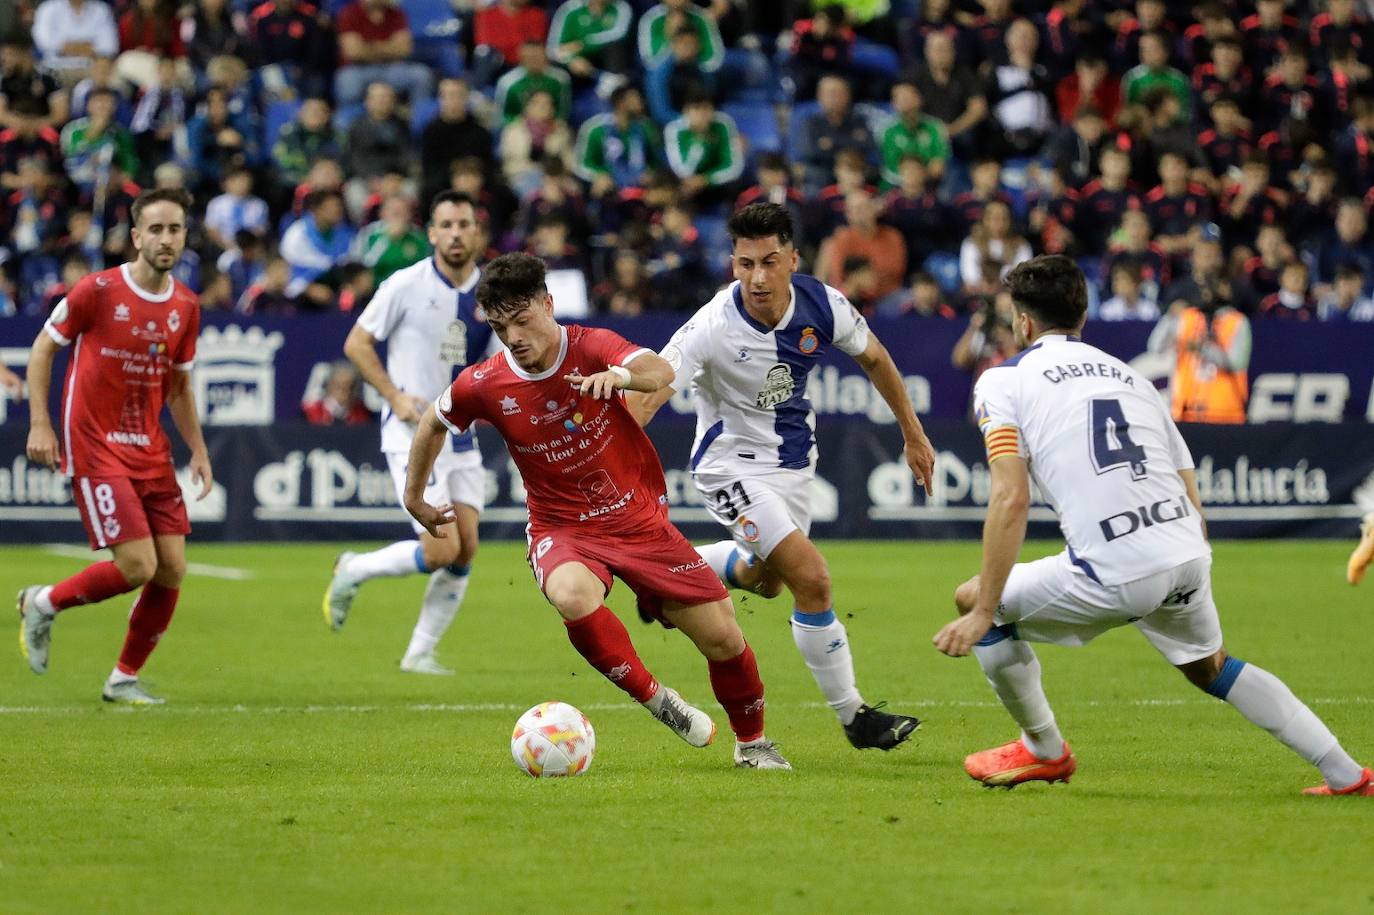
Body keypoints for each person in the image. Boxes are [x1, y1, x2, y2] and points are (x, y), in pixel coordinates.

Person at [932, 254, 1373, 797]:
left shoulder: (1002, 382)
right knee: (1212, 666)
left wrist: (982, 612)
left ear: (1022, 322)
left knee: (973, 599)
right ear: (1084, 313)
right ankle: (1347, 774)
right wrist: (1183, 558)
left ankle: (1044, 749)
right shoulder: (1131, 377)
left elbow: (1010, 495)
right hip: (1184, 551)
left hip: (1115, 567)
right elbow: (1186, 480)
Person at [407, 251, 790, 770]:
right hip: (562, 528)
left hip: (638, 522)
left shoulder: (592, 346)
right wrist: (414, 496)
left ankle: (753, 745)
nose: (514, 336)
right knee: (570, 594)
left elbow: (657, 370)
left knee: (724, 637)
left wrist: (623, 378)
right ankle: (658, 700)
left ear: (548, 304)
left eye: (522, 320)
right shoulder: (486, 382)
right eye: (501, 326)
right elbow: (433, 421)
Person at [628, 202, 934, 752]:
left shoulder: (823, 303)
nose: (758, 278)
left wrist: (912, 434)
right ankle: (855, 716)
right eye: (746, 264)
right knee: (812, 579)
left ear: (794, 259)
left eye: (770, 262)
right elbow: (651, 394)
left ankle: (666, 575)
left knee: (766, 580)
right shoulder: (712, 325)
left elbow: (877, 359)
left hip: (794, 465)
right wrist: (612, 465)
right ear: (733, 265)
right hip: (729, 465)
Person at [17, 187, 212, 706]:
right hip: (96, 445)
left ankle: (122, 677)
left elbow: (178, 387)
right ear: (135, 237)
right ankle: (42, 603)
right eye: (156, 229)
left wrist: (198, 449)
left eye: (174, 229)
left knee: (172, 567)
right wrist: (40, 423)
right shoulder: (96, 290)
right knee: (137, 567)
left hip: (150, 449)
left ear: (185, 237)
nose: (165, 239)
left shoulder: (186, 306)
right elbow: (42, 349)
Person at [326, 192, 492, 676]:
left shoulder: (489, 292)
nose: (457, 233)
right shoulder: (404, 284)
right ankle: (353, 568)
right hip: (411, 430)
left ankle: (419, 652)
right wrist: (395, 396)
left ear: (476, 232)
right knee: (442, 547)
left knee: (467, 548)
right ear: (433, 234)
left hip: (460, 433)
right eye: (447, 224)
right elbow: (357, 343)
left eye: (465, 223)